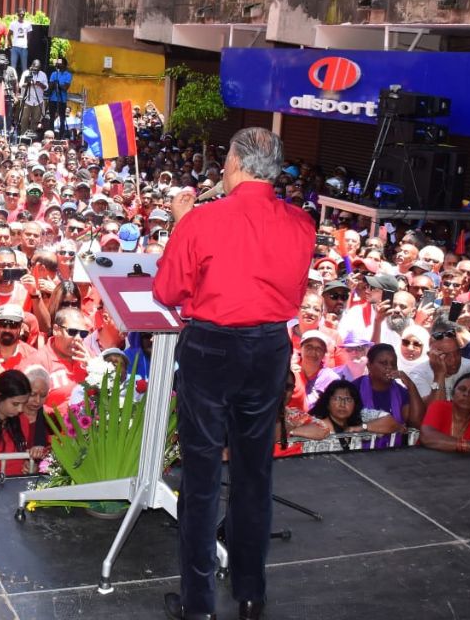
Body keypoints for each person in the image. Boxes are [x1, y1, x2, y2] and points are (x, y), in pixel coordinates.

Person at [153, 127, 314, 620]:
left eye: (225, 159)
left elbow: (167, 291)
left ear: (239, 164)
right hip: (268, 349)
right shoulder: (302, 223)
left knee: (202, 477)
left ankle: (199, 605)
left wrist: (183, 225)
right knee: (253, 473)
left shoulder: (203, 220)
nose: (222, 167)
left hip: (212, 348)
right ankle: (249, 594)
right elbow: (291, 291)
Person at [47, 57, 72, 138]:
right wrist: (55, 84)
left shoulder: (68, 75)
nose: (58, 64)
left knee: (62, 118)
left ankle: (61, 136)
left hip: (62, 100)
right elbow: (50, 86)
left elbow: (65, 87)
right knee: (51, 118)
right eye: (57, 63)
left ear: (64, 65)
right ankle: (50, 135)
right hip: (53, 99)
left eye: (60, 63)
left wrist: (57, 84)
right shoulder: (54, 74)